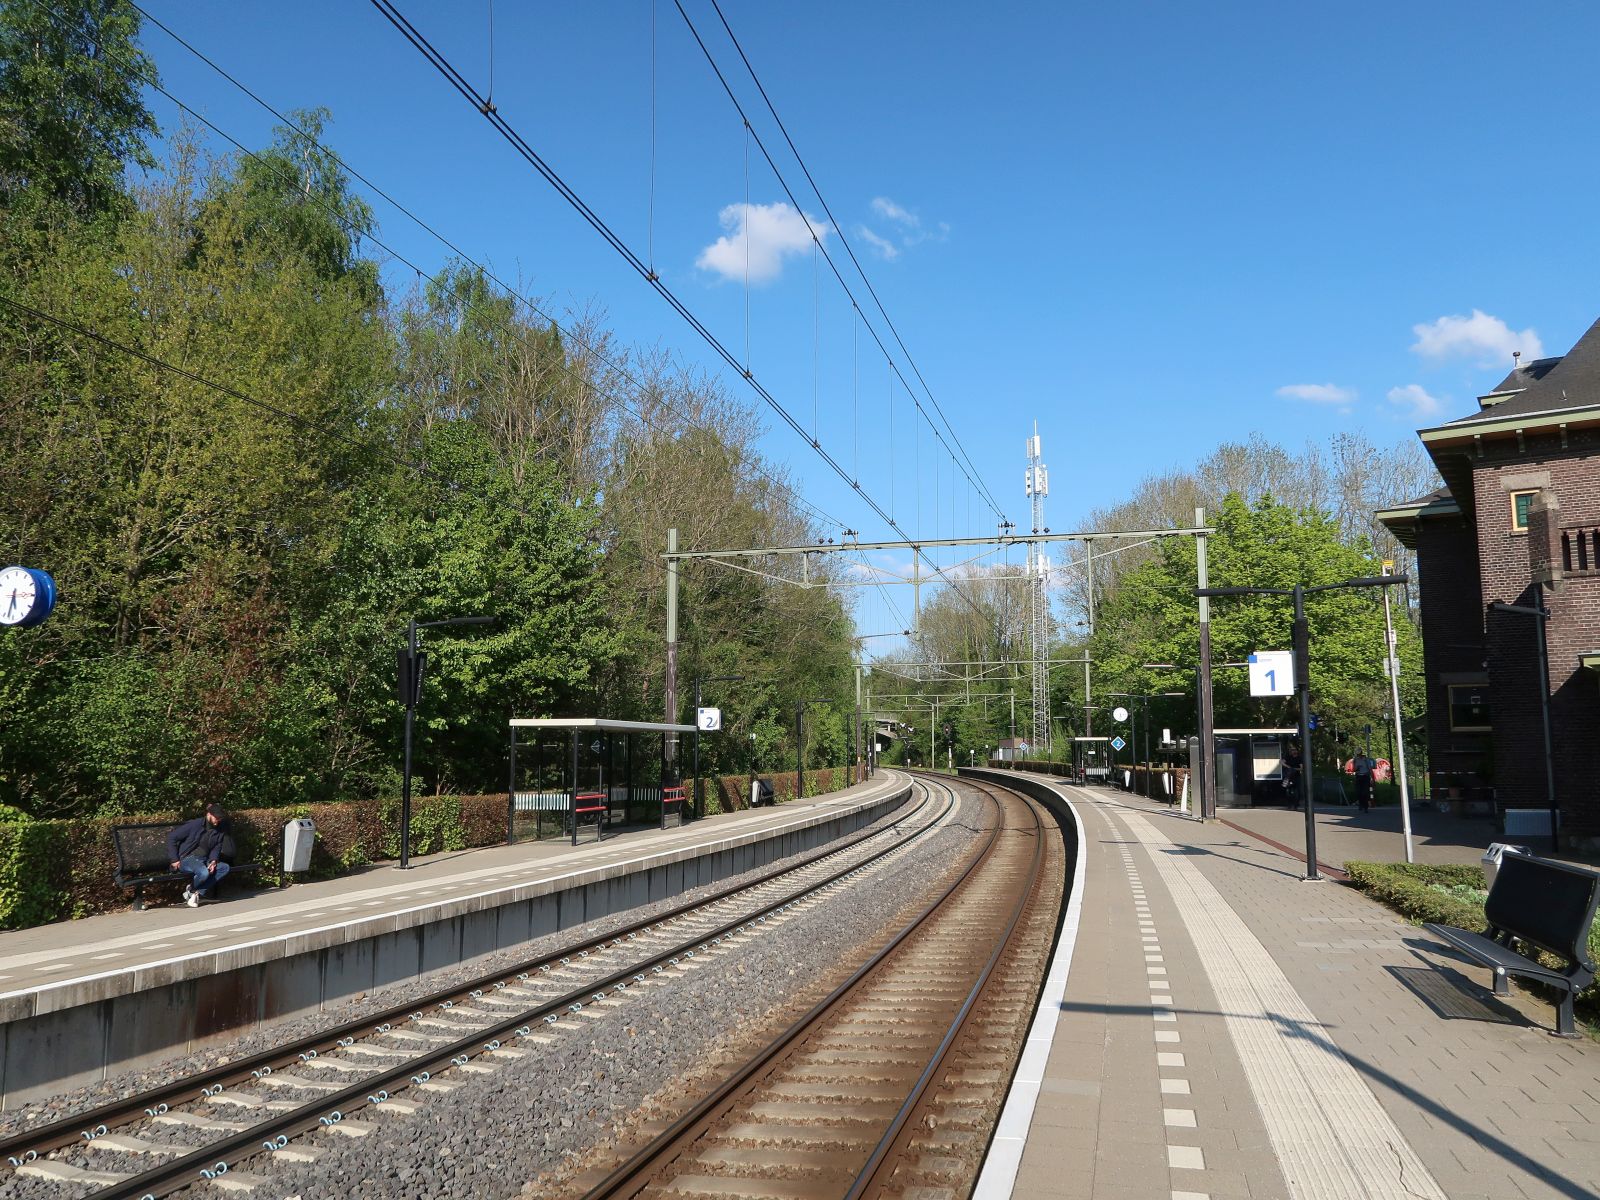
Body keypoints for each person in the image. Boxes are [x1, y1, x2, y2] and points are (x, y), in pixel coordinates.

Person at [167, 803, 231, 907]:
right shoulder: (195, 825)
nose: (218, 820)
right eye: (217, 818)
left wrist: (213, 860)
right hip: (187, 859)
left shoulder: (220, 829)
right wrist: (174, 859)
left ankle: (193, 891)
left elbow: (217, 846)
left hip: (204, 860)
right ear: (209, 814)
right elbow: (172, 837)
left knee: (224, 868)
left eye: (220, 818)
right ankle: (193, 892)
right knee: (203, 872)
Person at [1282, 743, 1303, 809]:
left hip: (1296, 776)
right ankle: (1289, 804)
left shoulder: (1299, 758)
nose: (1293, 751)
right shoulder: (1288, 757)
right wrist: (1288, 767)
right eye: (1292, 750)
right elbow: (1281, 762)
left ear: (1297, 751)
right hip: (1289, 776)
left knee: (1298, 791)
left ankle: (1296, 804)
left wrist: (1294, 769)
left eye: (1294, 750)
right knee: (1288, 790)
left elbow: (1301, 767)